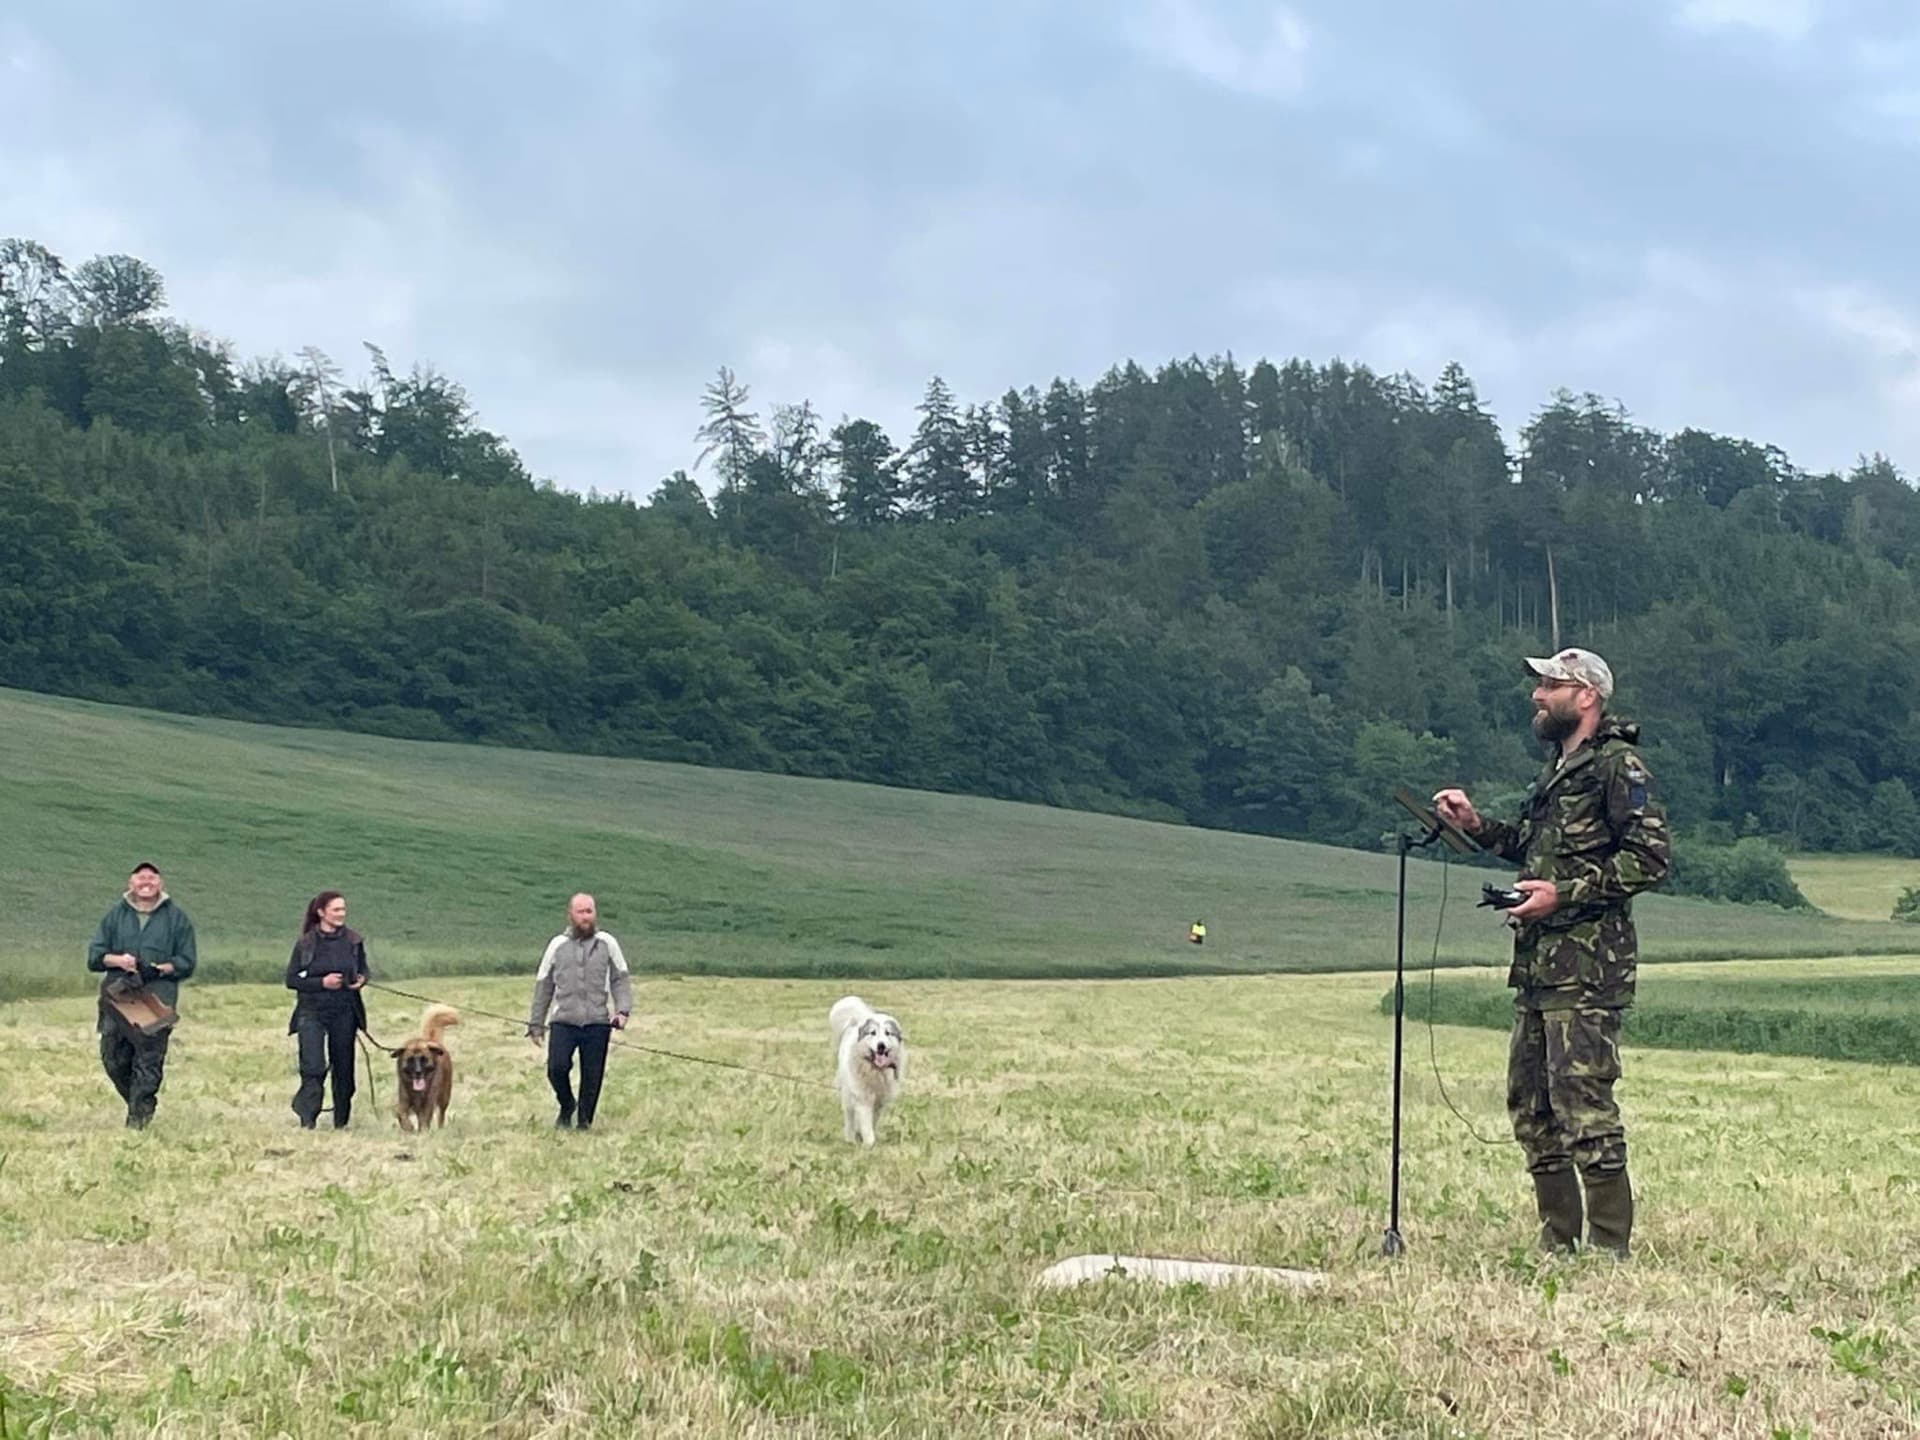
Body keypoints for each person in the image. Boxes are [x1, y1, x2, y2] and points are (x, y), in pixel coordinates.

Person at [1433, 646, 1670, 1258]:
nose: (1537, 696)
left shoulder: (1620, 768)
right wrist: (1477, 825)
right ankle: (1557, 1245)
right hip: (1539, 967)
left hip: (1589, 970)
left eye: (1550, 685)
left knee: (1584, 1106)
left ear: (1586, 696)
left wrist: (1562, 896)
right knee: (1532, 1107)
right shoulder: (1555, 772)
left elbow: (1649, 858)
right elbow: (1533, 852)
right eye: (1539, 687)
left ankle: (1609, 1249)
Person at [86, 861, 198, 1129]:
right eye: (140, 878)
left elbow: (186, 961)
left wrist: (159, 969)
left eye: (152, 878)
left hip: (156, 998)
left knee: (148, 1060)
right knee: (113, 1058)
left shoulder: (177, 919)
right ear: (130, 883)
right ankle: (138, 1100)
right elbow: (94, 957)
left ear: (161, 884)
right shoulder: (115, 916)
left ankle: (139, 1117)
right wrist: (119, 961)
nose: (146, 882)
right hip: (119, 996)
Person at [526, 893, 633, 1131]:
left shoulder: (608, 943)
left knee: (592, 1076)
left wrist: (622, 1010)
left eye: (589, 911)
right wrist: (536, 1023)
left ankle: (584, 1122)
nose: (586, 917)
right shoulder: (556, 945)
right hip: (563, 1021)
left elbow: (620, 980)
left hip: (597, 1022)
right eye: (581, 912)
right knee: (556, 1068)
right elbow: (544, 985)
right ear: (570, 915)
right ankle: (567, 1104)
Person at [286, 890, 370, 1130]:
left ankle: (341, 1121)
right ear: (321, 912)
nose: (341, 914)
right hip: (311, 1012)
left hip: (345, 1011)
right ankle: (308, 1119)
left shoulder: (354, 941)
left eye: (343, 909)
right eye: (336, 909)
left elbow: (364, 970)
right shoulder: (306, 944)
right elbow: (291, 980)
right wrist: (321, 983)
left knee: (344, 1069)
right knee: (313, 1067)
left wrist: (360, 980)